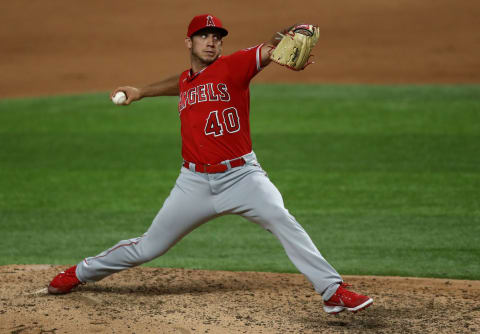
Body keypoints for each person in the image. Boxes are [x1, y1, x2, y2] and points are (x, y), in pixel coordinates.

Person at [48, 14, 373, 315]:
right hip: (193, 184)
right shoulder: (188, 82)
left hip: (243, 177)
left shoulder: (235, 66)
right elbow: (181, 83)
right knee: (148, 247)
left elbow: (268, 50)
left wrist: (285, 38)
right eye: (203, 36)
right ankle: (77, 273)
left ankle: (332, 290)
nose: (211, 41)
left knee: (281, 218)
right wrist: (142, 91)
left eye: (216, 37)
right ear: (189, 42)